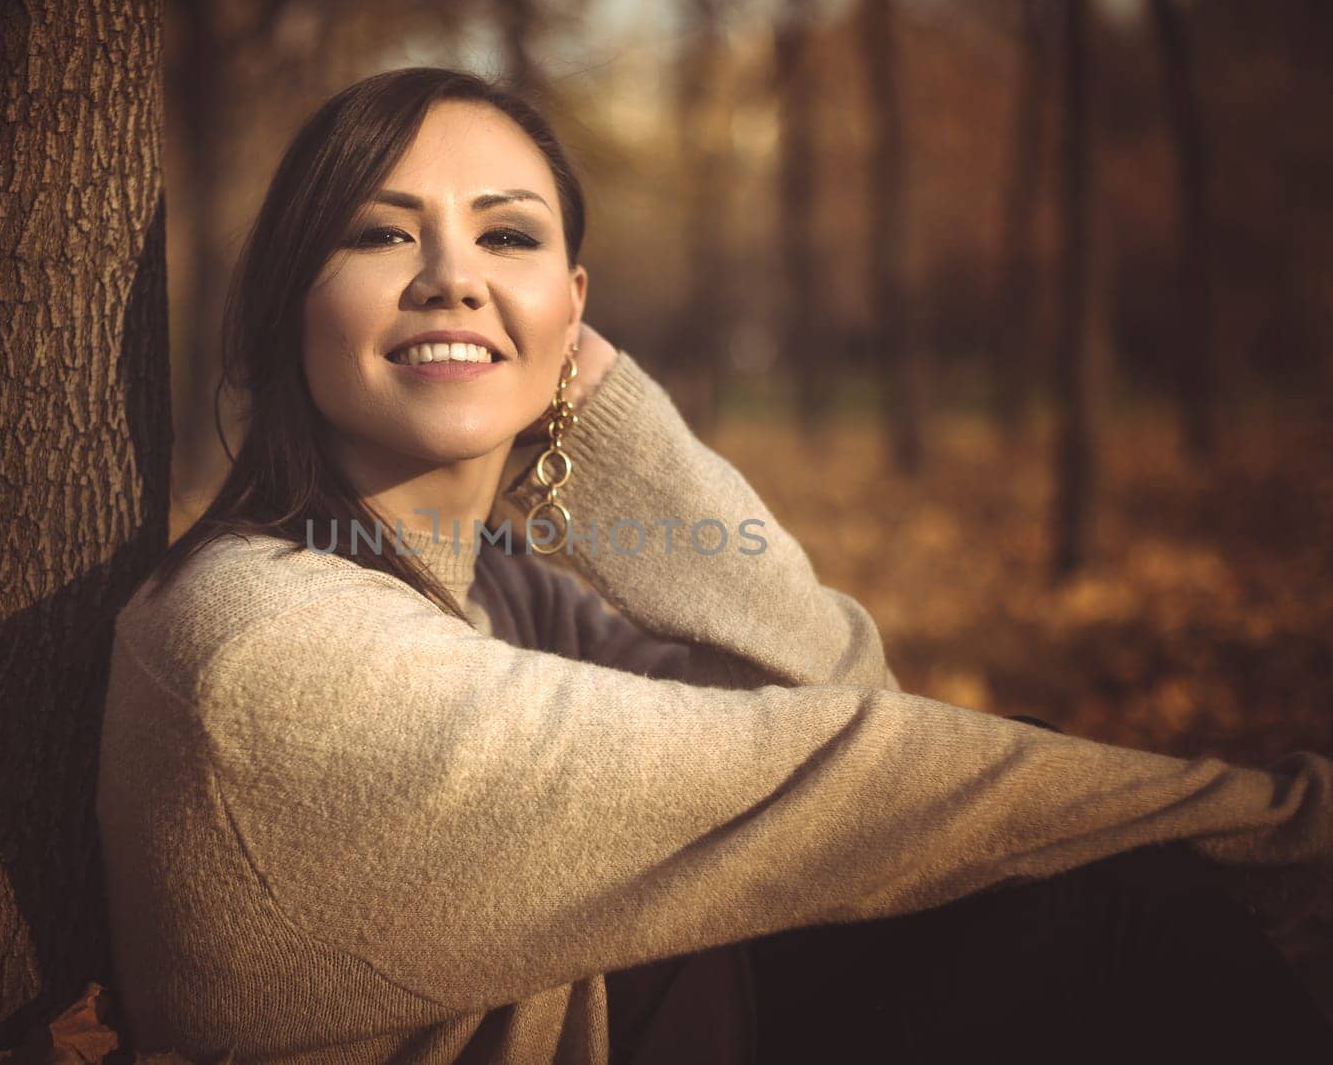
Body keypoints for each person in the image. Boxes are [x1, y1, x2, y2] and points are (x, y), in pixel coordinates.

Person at [94, 66, 1333, 1064]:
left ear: (573, 307)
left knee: (1061, 886)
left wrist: (595, 419)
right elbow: (845, 768)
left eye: (508, 237)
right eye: (380, 232)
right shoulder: (265, 648)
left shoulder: (490, 590)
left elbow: (838, 683)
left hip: (671, 1005)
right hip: (666, 1019)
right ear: (284, 308)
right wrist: (1276, 820)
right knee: (1107, 908)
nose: (454, 277)